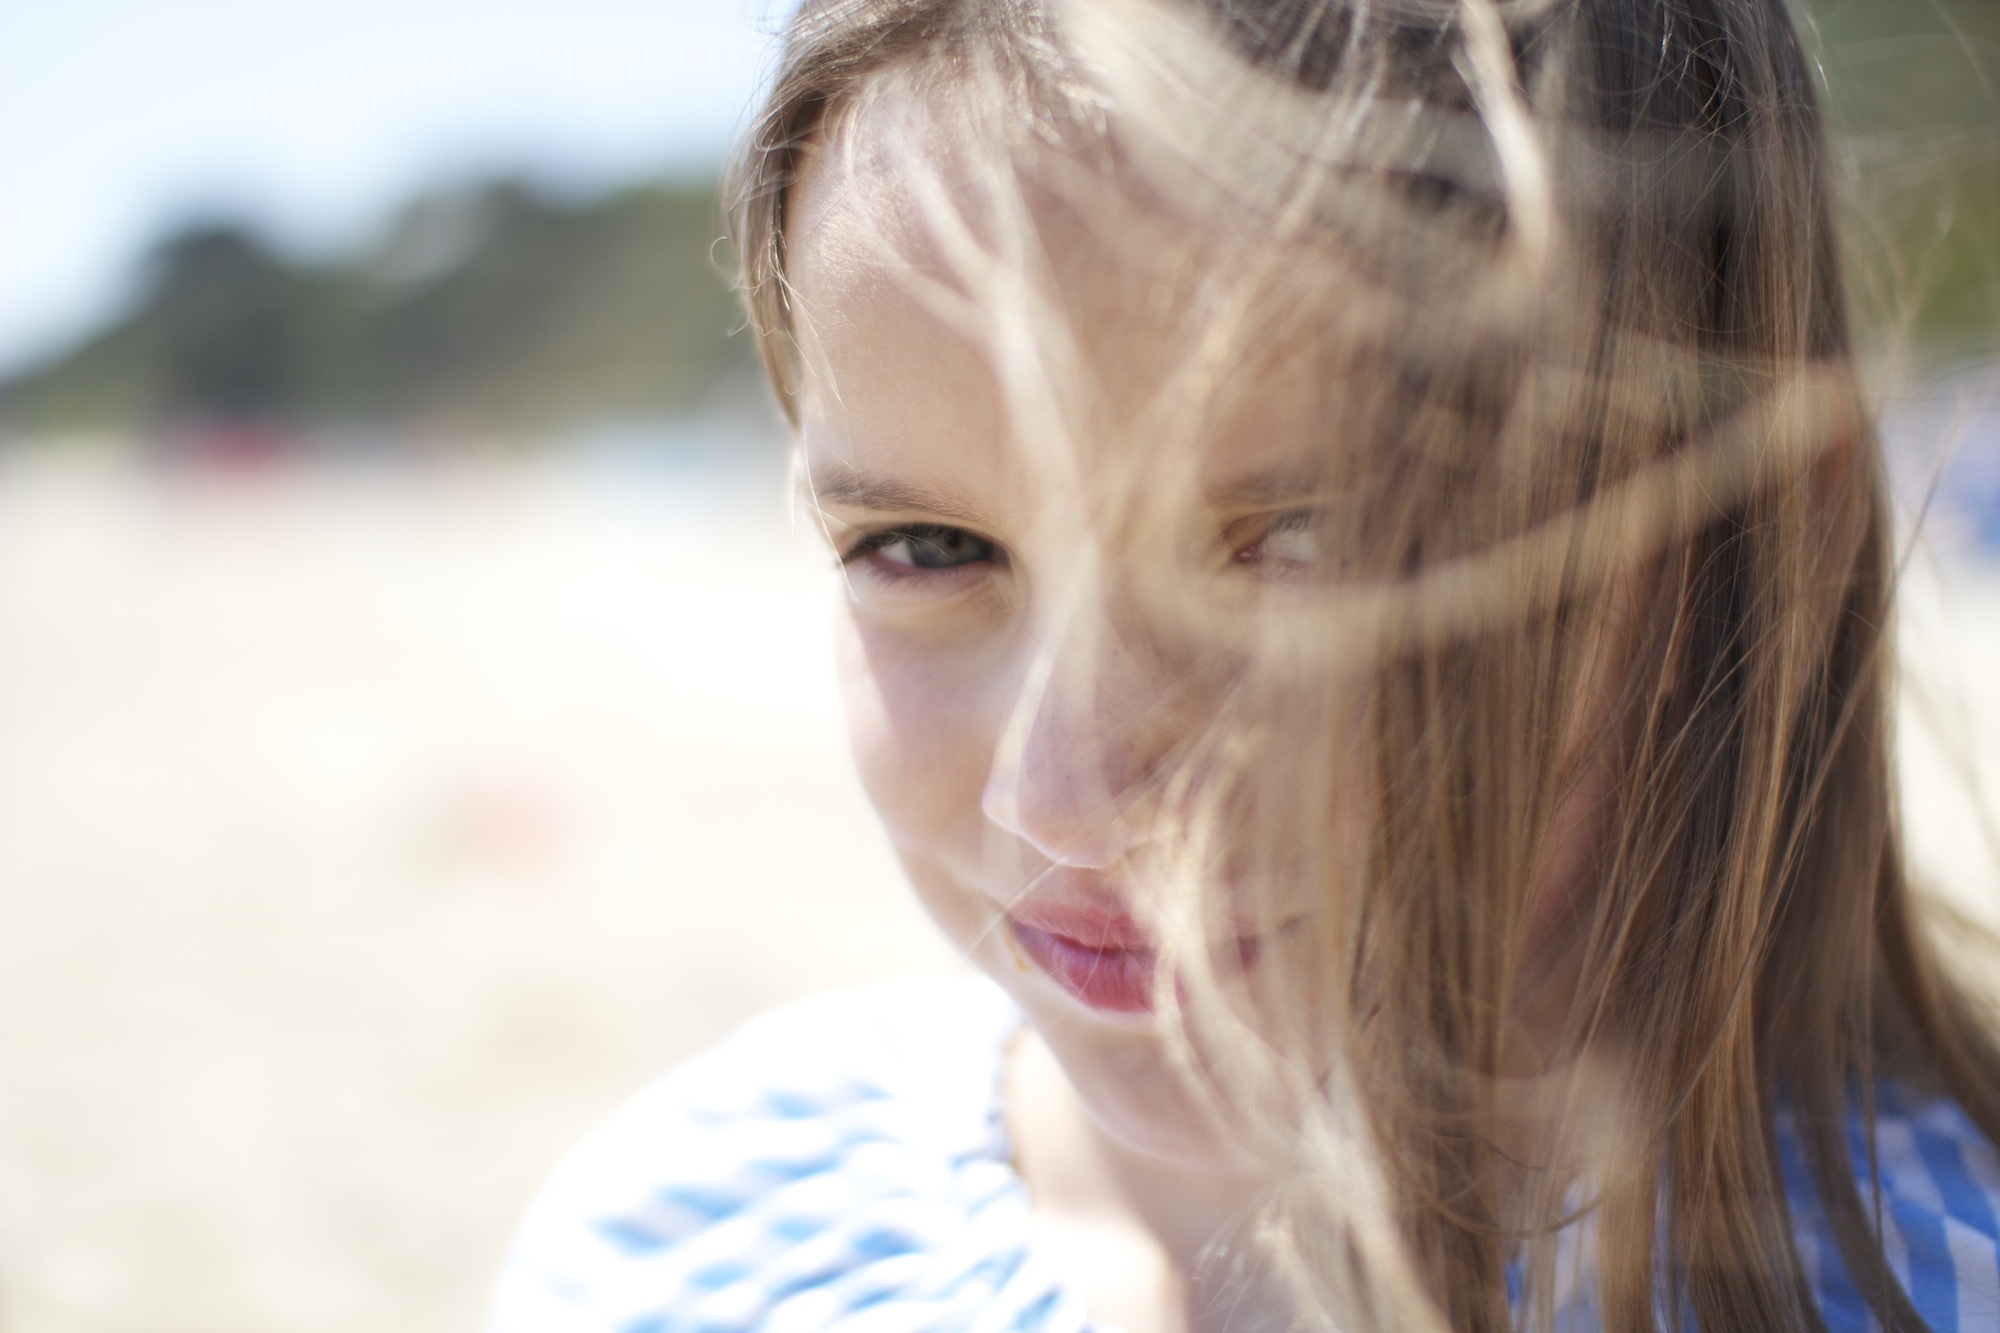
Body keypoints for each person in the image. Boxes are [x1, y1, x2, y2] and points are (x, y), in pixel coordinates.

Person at [490, 1, 2000, 1329]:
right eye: (930, 548)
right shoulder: (690, 1240)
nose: (1063, 799)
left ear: (1746, 545)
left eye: (1311, 542)